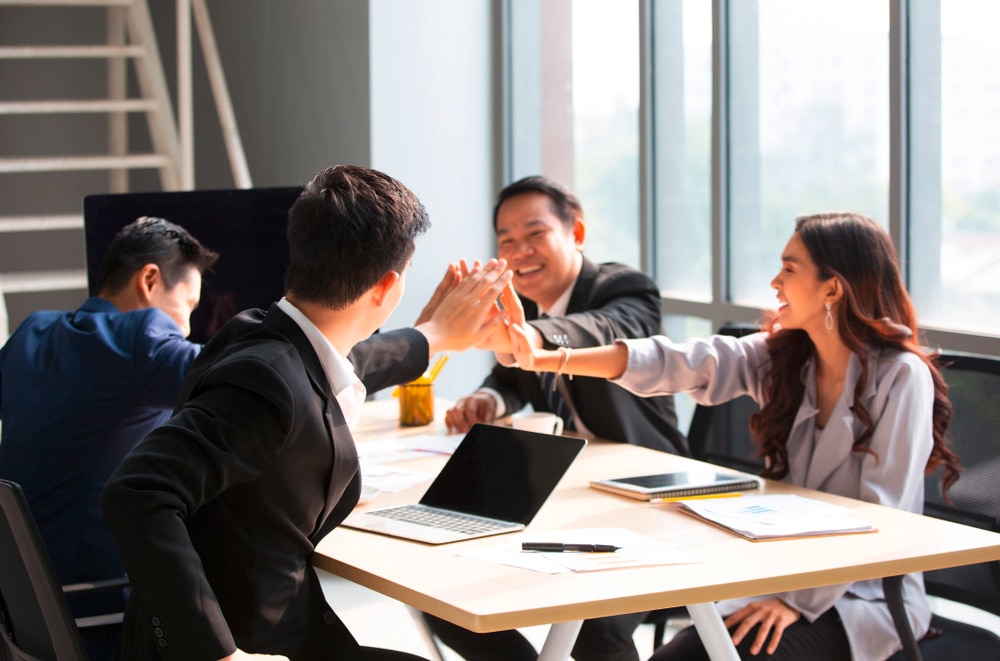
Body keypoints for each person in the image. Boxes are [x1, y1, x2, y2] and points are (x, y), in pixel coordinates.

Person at [99, 164, 514, 661]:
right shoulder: (267, 383)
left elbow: (343, 363)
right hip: (249, 645)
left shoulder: (257, 333)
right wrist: (218, 655)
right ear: (386, 287)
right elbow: (137, 490)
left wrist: (436, 336)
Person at [505, 212, 962, 661]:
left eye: (789, 268)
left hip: (859, 598)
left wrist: (794, 602)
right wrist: (548, 358)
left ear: (833, 288)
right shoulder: (785, 356)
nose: (775, 282)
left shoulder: (901, 378)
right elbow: (678, 361)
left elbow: (881, 519)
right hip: (777, 576)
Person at [425, 175, 687, 661]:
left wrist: (531, 342)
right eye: (507, 240)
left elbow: (597, 332)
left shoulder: (627, 290)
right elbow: (509, 378)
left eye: (535, 234)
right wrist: (488, 399)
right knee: (446, 599)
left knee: (596, 626)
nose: (520, 251)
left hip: (649, 499)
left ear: (577, 234)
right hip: (569, 496)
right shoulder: (521, 307)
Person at [0, 216, 219, 660]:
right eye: (188, 304)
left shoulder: (30, 332)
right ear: (150, 280)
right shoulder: (140, 337)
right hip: (97, 617)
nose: (189, 327)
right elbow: (244, 375)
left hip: (21, 617)